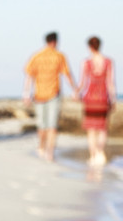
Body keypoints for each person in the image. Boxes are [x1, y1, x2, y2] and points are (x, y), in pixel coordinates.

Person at [23, 32, 77, 162]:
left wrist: (26, 94)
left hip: (39, 94)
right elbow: (67, 74)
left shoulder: (36, 56)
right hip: (54, 94)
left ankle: (41, 147)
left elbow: (29, 76)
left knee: (42, 125)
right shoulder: (59, 56)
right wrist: (75, 90)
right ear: (56, 42)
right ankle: (50, 152)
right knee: (52, 126)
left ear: (46, 41)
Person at [78, 36, 116, 165]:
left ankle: (93, 155)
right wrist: (113, 99)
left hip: (90, 98)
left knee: (91, 129)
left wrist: (76, 93)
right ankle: (100, 151)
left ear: (89, 47)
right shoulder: (108, 62)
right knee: (102, 128)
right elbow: (111, 83)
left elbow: (82, 83)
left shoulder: (86, 63)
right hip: (103, 98)